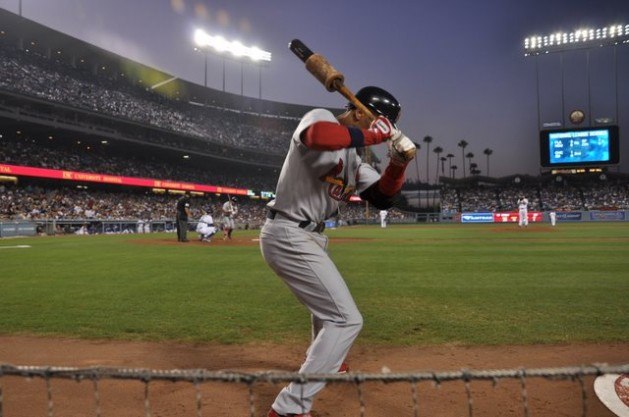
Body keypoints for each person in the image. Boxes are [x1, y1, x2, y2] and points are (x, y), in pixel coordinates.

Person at [259, 86, 416, 417]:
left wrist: (398, 164)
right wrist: (373, 135)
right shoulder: (320, 119)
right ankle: (290, 407)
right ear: (359, 112)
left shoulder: (354, 158)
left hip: (309, 236)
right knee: (346, 320)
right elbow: (317, 137)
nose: (382, 129)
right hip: (288, 230)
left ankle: (331, 362)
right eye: (380, 121)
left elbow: (383, 197)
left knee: (328, 311)